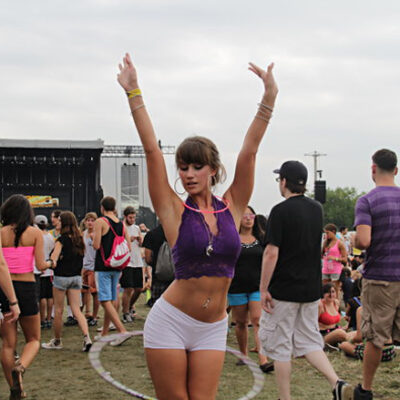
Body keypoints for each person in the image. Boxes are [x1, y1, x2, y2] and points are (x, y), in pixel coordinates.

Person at [117, 52, 278, 399]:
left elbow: (249, 152)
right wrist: (133, 92)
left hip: (213, 326)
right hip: (171, 321)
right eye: (183, 167)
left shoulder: (232, 207)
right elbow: (151, 151)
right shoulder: (174, 210)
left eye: (197, 167)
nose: (189, 174)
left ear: (213, 170)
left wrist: (268, 99)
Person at [258, 161, 353, 400]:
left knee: (281, 347)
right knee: (309, 341)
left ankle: (285, 397)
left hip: (284, 288)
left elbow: (271, 252)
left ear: (284, 182)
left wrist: (263, 288)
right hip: (310, 289)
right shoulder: (316, 209)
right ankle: (337, 383)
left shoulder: (280, 211)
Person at [353, 149, 400, 400]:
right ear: (396, 170)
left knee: (375, 338)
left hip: (380, 278)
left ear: (373, 169)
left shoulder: (367, 201)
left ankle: (366, 389)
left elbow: (364, 240)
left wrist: (355, 241)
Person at [0, 194, 53, 400]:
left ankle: (16, 388)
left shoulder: (1, 233)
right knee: (34, 339)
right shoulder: (35, 233)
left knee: (8, 344)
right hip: (27, 287)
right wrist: (51, 263)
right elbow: (40, 265)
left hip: (4, 289)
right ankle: (20, 367)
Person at [228, 206, 273, 372]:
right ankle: (243, 354)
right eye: (244, 215)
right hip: (237, 287)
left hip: (257, 286)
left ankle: (263, 359)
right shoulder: (232, 239)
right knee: (241, 323)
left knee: (257, 320)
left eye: (251, 215)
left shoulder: (261, 238)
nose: (248, 218)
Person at [41, 211, 92, 352]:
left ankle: (57, 341)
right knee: (77, 310)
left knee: (58, 310)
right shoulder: (79, 239)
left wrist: (46, 264)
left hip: (61, 278)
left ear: (63, 223)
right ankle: (87, 337)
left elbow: (54, 259)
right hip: (76, 278)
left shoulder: (61, 240)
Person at [93, 196, 131, 346]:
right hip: (117, 265)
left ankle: (122, 331)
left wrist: (94, 237)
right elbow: (128, 245)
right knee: (111, 299)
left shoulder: (100, 222)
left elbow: (96, 245)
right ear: (114, 208)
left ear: (102, 207)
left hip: (103, 265)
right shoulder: (121, 224)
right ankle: (105, 333)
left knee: (104, 300)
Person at [121, 206, 144, 322]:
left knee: (139, 288)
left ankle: (129, 306)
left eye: (134, 217)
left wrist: (140, 240)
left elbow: (141, 245)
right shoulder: (121, 227)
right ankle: (125, 312)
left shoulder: (136, 228)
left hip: (137, 261)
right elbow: (119, 242)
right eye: (130, 217)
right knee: (128, 288)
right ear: (125, 217)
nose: (132, 220)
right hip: (127, 262)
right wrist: (128, 239)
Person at [34, 215, 55, 329]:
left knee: (42, 296)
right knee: (49, 296)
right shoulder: (50, 236)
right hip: (49, 269)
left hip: (39, 268)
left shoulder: (36, 236)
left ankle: (42, 319)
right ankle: (49, 318)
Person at [143, 224, 172, 307]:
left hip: (158, 276)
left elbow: (148, 258)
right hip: (176, 278)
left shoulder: (151, 234)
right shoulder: (178, 233)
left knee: (158, 305)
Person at [81, 212, 99, 326]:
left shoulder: (97, 234)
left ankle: (94, 316)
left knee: (94, 293)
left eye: (92, 220)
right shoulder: (83, 234)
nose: (90, 223)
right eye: (88, 220)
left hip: (94, 267)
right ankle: (80, 315)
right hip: (84, 266)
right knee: (83, 291)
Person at [322, 223, 348, 297]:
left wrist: (335, 258)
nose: (326, 235)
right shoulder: (325, 242)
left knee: (334, 291)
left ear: (333, 231)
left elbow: (345, 259)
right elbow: (322, 255)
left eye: (327, 233)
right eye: (325, 233)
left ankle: (336, 304)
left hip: (335, 270)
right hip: (326, 268)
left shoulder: (340, 243)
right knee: (325, 291)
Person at [318, 283, 348, 348]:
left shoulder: (336, 303)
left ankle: (344, 346)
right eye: (328, 292)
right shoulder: (320, 305)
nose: (331, 295)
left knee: (354, 333)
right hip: (323, 335)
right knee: (341, 333)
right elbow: (312, 323)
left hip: (335, 330)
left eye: (333, 292)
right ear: (323, 294)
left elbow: (334, 319)